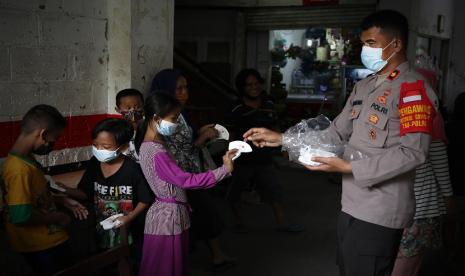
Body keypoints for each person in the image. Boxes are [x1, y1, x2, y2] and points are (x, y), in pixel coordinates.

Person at [243, 10, 438, 276]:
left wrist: (348, 168)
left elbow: (413, 153)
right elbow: (334, 133)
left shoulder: (412, 89)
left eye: (372, 44)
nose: (365, 50)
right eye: (364, 44)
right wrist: (282, 139)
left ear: (397, 44)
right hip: (351, 204)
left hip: (382, 209)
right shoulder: (365, 86)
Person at [134, 93, 236, 276]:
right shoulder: (155, 150)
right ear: (156, 118)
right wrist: (223, 170)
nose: (176, 124)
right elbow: (186, 180)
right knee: (165, 268)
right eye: (173, 119)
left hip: (169, 213)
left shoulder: (153, 144)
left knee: (168, 266)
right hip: (167, 218)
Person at [2, 104, 88, 275]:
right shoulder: (19, 170)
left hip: (46, 241)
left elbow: (32, 197)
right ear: (42, 134)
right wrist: (57, 216)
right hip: (41, 245)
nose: (52, 144)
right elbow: (21, 215)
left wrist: (62, 200)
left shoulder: (25, 160)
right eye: (53, 138)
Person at [226, 68, 304, 233]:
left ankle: (283, 224)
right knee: (235, 192)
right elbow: (231, 133)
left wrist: (283, 146)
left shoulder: (268, 104)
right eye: (248, 85)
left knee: (274, 189)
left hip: (264, 158)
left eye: (256, 84)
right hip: (242, 159)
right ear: (242, 88)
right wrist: (230, 154)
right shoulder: (236, 108)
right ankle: (240, 223)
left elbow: (274, 127)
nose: (253, 87)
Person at [76, 118, 153, 269]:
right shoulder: (94, 163)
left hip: (131, 232)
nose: (99, 149)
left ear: (123, 147)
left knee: (129, 263)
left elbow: (145, 200)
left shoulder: (133, 170)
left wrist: (128, 218)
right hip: (102, 230)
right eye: (95, 145)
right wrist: (62, 192)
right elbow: (85, 192)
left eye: (105, 146)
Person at [391, 113, 453, 276]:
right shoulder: (427, 113)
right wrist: (448, 198)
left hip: (396, 206)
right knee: (407, 266)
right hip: (419, 207)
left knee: (405, 264)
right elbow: (439, 161)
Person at [115, 88, 145, 162]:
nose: (133, 111)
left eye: (137, 107)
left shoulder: (150, 128)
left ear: (143, 106)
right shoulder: (117, 131)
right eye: (128, 108)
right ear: (118, 110)